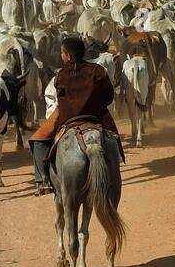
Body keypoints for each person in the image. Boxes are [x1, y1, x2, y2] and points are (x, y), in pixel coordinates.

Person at [29, 36, 123, 195]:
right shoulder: (99, 70)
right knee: (113, 138)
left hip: (67, 115)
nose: (61, 56)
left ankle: (43, 181)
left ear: (68, 56)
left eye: (62, 53)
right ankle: (117, 162)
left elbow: (60, 98)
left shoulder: (60, 75)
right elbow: (109, 97)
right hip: (96, 114)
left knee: (38, 140)